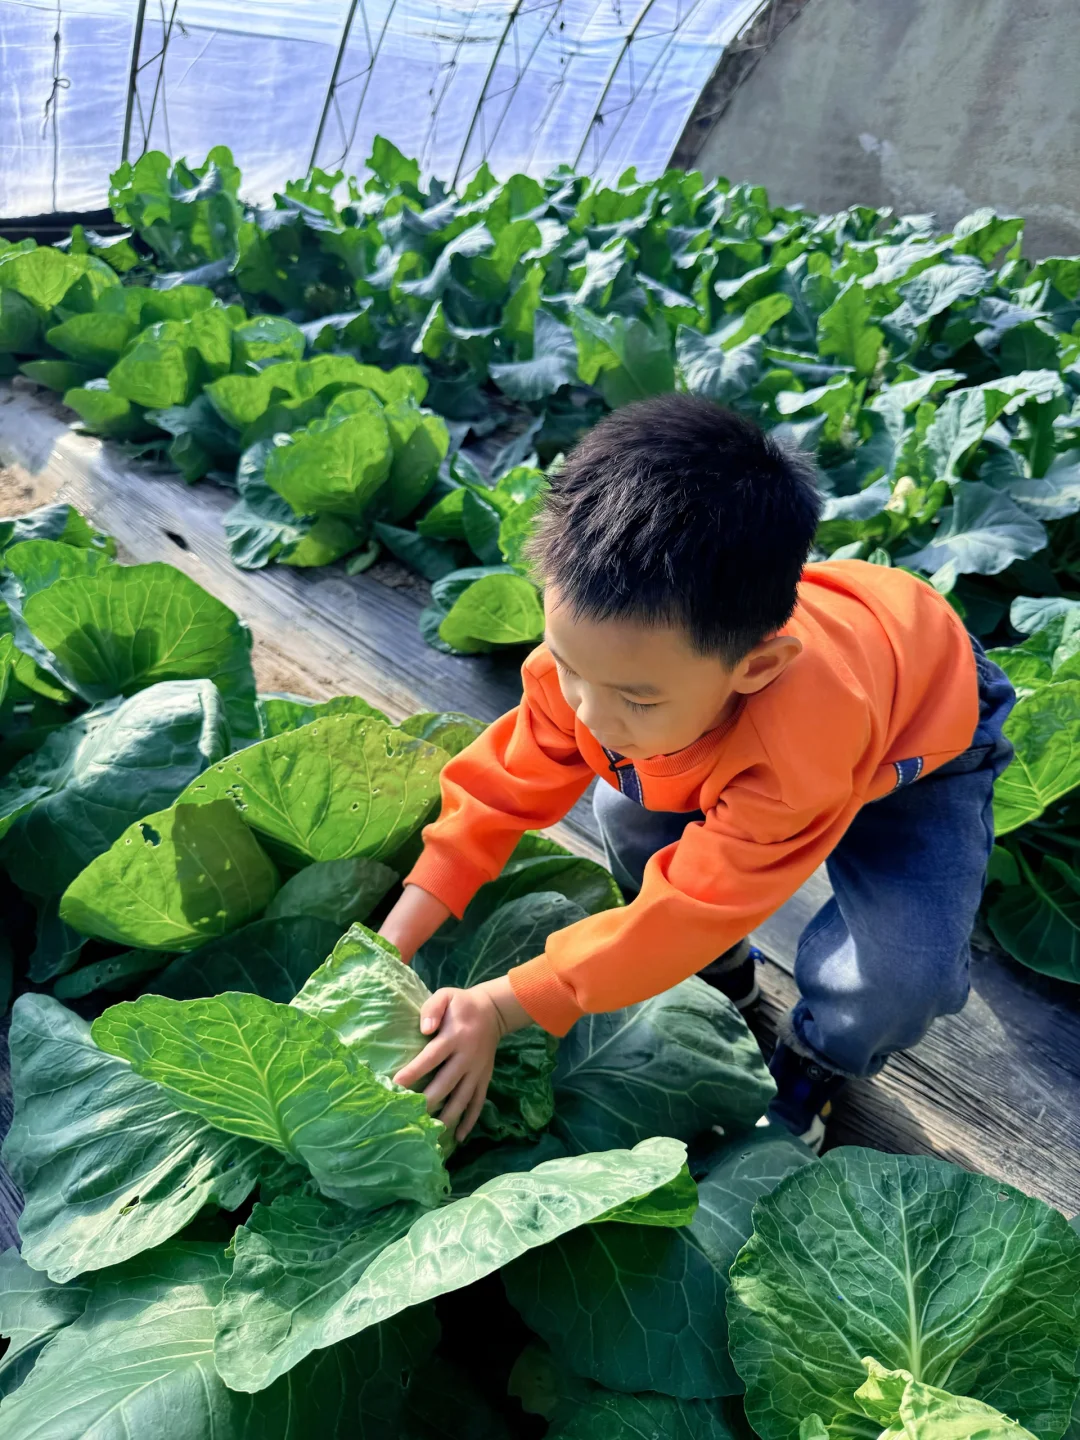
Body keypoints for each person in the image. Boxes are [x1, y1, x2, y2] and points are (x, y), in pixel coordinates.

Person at [380, 394, 1015, 1151]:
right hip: (769, 702)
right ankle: (723, 974)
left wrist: (506, 1002)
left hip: (924, 739)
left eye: (634, 699)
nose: (587, 714)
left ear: (756, 667)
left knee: (900, 972)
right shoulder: (607, 669)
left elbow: (691, 904)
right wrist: (394, 943)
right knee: (627, 812)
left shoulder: (794, 747)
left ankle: (814, 1063)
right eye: (570, 667)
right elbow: (497, 791)